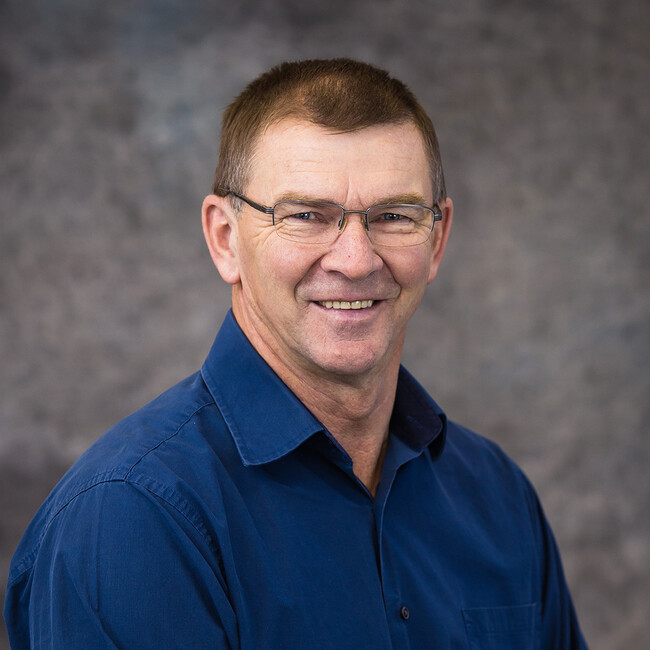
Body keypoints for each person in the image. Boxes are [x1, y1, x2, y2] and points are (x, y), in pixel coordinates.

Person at [5, 58, 588, 649]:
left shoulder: (497, 496)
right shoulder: (130, 521)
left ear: (436, 239)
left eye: (394, 216)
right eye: (307, 216)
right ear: (225, 239)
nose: (356, 259)